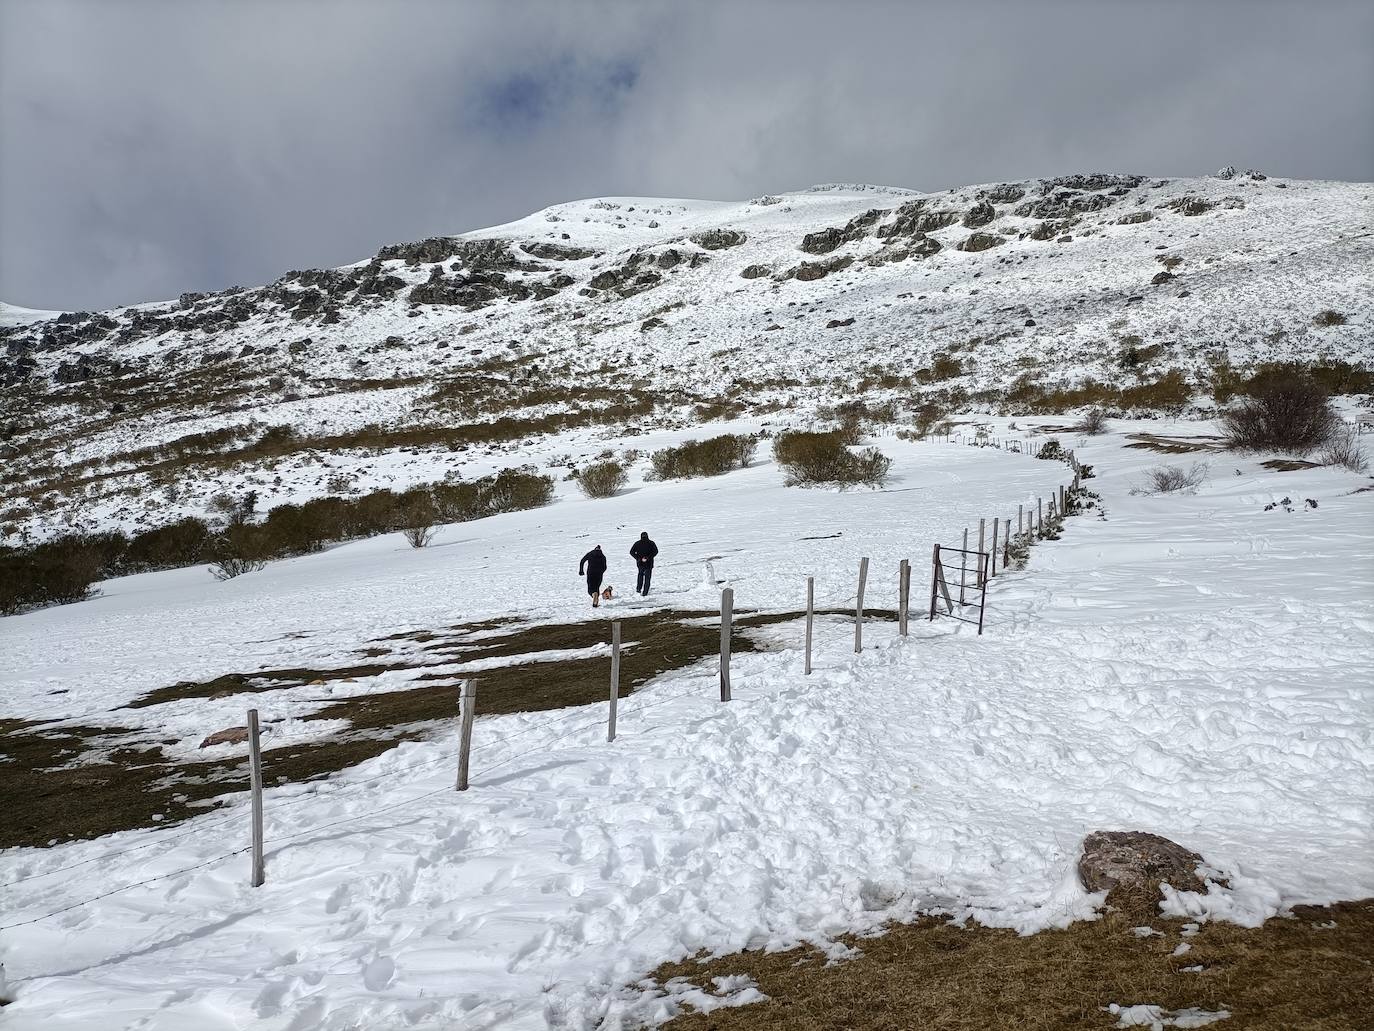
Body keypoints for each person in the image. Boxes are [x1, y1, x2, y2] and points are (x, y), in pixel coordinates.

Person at [629, 531, 659, 596]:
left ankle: (638, 589)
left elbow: (631, 552)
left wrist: (638, 558)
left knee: (640, 575)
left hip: (640, 563)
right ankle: (645, 592)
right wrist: (648, 557)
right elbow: (656, 551)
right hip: (649, 563)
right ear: (647, 536)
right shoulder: (651, 543)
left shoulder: (637, 543)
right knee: (647, 578)